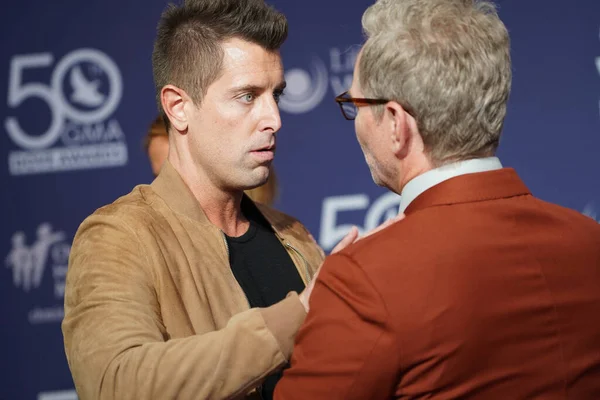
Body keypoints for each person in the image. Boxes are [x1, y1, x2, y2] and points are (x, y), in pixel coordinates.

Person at [274, 0, 600, 399]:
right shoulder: (590, 243)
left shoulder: (364, 278)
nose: (355, 120)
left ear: (396, 123)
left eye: (355, 105)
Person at [61, 1, 360, 399]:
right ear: (178, 107)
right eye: (247, 96)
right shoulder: (118, 237)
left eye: (276, 95)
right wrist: (297, 314)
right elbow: (117, 383)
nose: (274, 118)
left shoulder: (295, 238)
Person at [144, 115, 280, 205]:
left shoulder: (289, 240)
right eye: (161, 177)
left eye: (183, 174)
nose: (168, 189)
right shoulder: (143, 240)